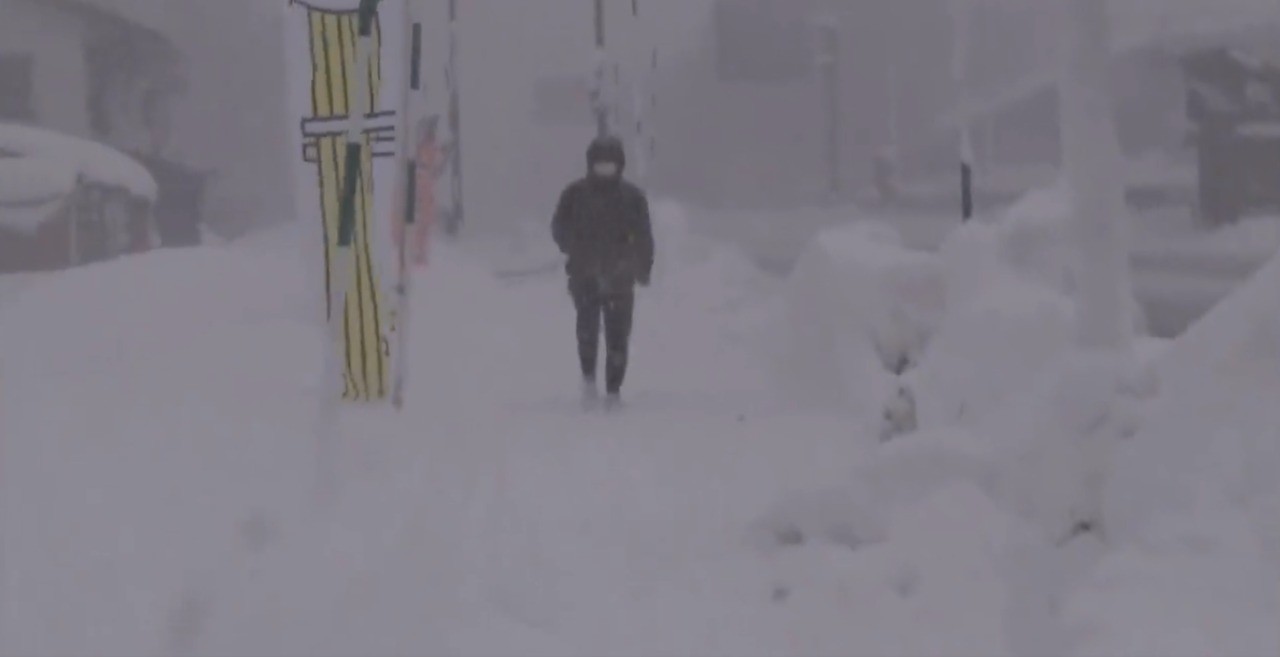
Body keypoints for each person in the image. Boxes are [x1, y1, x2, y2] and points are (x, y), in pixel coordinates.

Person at [552, 135, 655, 409]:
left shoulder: (632, 198)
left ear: (620, 165)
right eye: (601, 165)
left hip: (621, 277)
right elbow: (559, 227)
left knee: (618, 333)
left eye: (610, 165)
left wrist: (643, 267)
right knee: (586, 328)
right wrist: (573, 245)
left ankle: (613, 388)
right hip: (584, 274)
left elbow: (644, 236)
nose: (605, 170)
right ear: (591, 164)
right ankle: (588, 378)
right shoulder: (575, 195)